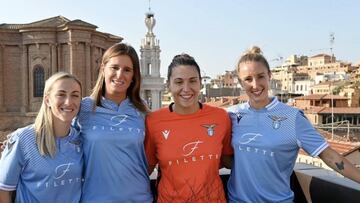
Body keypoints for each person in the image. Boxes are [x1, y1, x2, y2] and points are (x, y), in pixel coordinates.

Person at [226, 46, 360, 203]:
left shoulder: (292, 118)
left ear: (269, 76)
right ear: (241, 83)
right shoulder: (232, 115)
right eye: (248, 79)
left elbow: (329, 156)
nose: (255, 85)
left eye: (260, 76)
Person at [145, 54, 233, 202]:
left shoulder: (221, 117)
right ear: (169, 85)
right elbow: (147, 168)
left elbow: (229, 160)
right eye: (179, 82)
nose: (186, 89)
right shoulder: (153, 121)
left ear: (200, 83)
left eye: (193, 81)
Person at [75, 43, 153, 202]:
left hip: (140, 198)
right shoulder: (83, 108)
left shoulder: (143, 110)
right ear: (103, 69)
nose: (120, 75)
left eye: (127, 70)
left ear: (133, 76)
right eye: (114, 67)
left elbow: (150, 156)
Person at [0, 72, 83, 203]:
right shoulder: (23, 139)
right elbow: (3, 191)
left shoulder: (81, 140)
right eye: (61, 94)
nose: (68, 102)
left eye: (75, 95)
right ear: (47, 99)